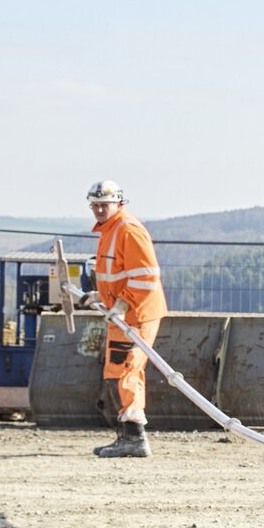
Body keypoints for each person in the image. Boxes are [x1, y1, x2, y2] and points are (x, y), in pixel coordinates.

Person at [84, 179, 167, 459]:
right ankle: (126, 436)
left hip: (137, 316)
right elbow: (117, 274)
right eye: (94, 205)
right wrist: (102, 297)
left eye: (103, 205)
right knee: (115, 373)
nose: (98, 210)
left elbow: (146, 277)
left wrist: (121, 304)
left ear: (118, 202)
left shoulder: (128, 230)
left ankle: (135, 438)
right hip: (121, 316)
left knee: (128, 374)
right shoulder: (109, 231)